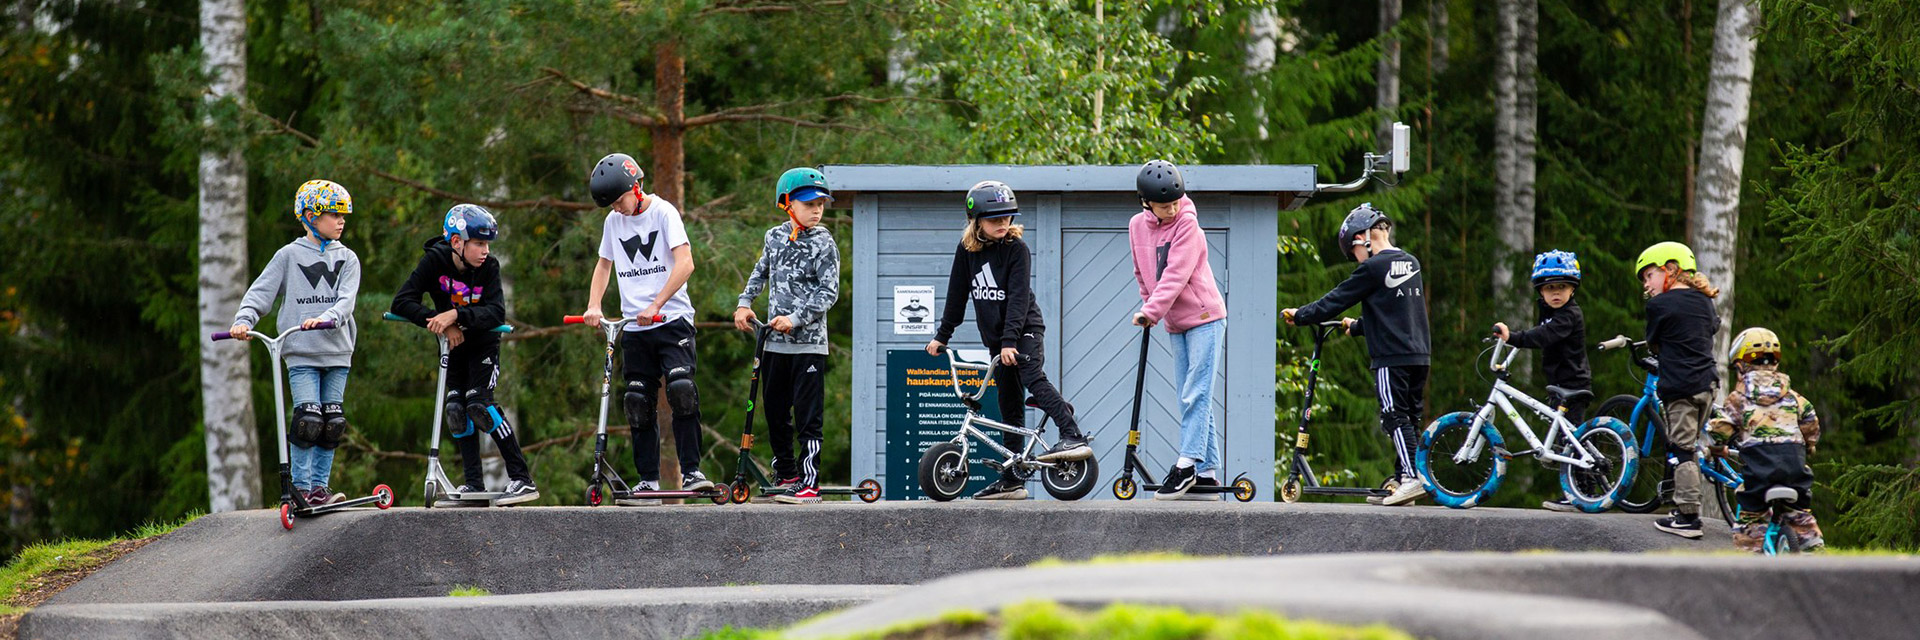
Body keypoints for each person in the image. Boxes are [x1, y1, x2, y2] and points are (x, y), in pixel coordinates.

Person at [926, 180, 1092, 500]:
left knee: (1031, 376)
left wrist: (1009, 342)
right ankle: (1013, 477)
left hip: (1024, 330)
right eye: (995, 219)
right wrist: (941, 336)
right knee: (1009, 404)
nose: (1003, 224)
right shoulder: (967, 252)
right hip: (999, 340)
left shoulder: (1017, 250)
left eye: (1007, 217)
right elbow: (957, 296)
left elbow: (1017, 299)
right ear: (976, 222)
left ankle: (1073, 434)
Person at [580, 152, 710, 505]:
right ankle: (648, 482)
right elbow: (604, 265)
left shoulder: (664, 213)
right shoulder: (613, 223)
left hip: (671, 321)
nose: (617, 209)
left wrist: (657, 305)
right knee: (637, 400)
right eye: (611, 204)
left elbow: (686, 263)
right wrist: (594, 305)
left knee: (681, 389)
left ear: (636, 187)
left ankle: (693, 472)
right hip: (635, 329)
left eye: (619, 200)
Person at [390, 204, 540, 506]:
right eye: (479, 243)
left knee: (479, 405)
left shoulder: (490, 267)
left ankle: (522, 479)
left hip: (484, 345)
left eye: (487, 244)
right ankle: (473, 484)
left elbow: (496, 311)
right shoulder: (434, 261)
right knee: (457, 411)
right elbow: (401, 302)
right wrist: (441, 323)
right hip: (454, 346)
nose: (485, 250)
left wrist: (456, 316)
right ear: (457, 242)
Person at [1283, 203, 1430, 506]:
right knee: (1410, 418)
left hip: (1390, 357)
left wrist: (1301, 315)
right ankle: (1404, 479)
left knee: (1393, 416)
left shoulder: (1373, 267)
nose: (1355, 259)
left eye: (1353, 252)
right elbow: (1395, 312)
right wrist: (1360, 326)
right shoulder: (1411, 262)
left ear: (1364, 237)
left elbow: (1334, 301)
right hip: (1419, 354)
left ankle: (1414, 478)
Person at [229, 179, 361, 506]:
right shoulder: (289, 255)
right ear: (311, 217)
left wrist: (329, 316)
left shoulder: (348, 258)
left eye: (343, 215)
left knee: (332, 422)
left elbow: (347, 300)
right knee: (308, 419)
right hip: (301, 352)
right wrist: (244, 320)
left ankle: (320, 489)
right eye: (334, 214)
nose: (341, 221)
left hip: (337, 350)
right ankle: (300, 488)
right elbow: (262, 292)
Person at [734, 167, 842, 504]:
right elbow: (760, 271)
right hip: (773, 344)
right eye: (809, 203)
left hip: (808, 345)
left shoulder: (824, 242)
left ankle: (809, 482)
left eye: (821, 204)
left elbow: (829, 292)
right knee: (776, 411)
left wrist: (794, 319)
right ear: (787, 203)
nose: (817, 209)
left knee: (808, 416)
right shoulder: (774, 237)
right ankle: (787, 473)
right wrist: (744, 302)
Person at [1128, 160, 1228, 500]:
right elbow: (1144, 275)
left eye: (1175, 202)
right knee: (1191, 393)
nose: (1171, 209)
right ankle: (1208, 473)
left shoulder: (1189, 226)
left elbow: (1175, 275)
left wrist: (1151, 311)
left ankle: (1186, 466)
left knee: (1196, 393)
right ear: (1146, 202)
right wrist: (1148, 309)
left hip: (1205, 318)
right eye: (1164, 204)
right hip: (1175, 322)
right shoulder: (1136, 227)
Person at [1492, 250, 1593, 512]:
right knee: (1565, 437)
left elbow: (1543, 336)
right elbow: (1542, 333)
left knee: (1570, 440)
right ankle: (1579, 490)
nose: (1555, 293)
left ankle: (1580, 494)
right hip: (1558, 383)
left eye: (1561, 287)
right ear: (1541, 291)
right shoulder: (1548, 310)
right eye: (1549, 288)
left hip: (1573, 383)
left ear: (1572, 289)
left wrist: (1514, 337)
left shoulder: (1569, 315)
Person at [1710, 327, 1824, 552]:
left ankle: (1751, 571)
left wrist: (1717, 447)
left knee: (1750, 527)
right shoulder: (1794, 397)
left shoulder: (1739, 398)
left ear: (1741, 365)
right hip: (1795, 472)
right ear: (1775, 363)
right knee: (1801, 518)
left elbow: (1720, 429)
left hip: (1759, 476)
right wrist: (1809, 445)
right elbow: (1811, 423)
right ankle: (1816, 553)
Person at [1635, 241, 1721, 538]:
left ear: (1671, 269)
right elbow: (1712, 327)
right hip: (1708, 384)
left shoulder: (1658, 305)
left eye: (1649, 275)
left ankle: (1688, 517)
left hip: (1681, 387)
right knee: (1693, 441)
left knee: (1681, 449)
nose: (1646, 285)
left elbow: (1653, 342)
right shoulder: (1704, 300)